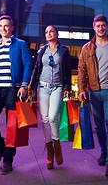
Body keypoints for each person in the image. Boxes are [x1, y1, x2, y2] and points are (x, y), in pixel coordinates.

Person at [0, 15, 33, 175]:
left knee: (12, 125)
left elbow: (28, 64)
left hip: (13, 89)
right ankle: (1, 147)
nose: (4, 28)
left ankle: (8, 159)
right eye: (1, 26)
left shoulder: (20, 44)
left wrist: (24, 85)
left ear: (12, 28)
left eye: (7, 26)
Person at [77, 14, 108, 177]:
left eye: (103, 25)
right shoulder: (87, 48)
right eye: (98, 26)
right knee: (98, 125)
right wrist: (82, 88)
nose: (101, 28)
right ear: (94, 27)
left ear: (107, 26)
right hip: (94, 92)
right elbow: (81, 69)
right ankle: (104, 152)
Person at [29, 25, 71, 169]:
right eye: (46, 32)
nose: (48, 34)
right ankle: (50, 152)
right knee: (45, 119)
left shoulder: (64, 51)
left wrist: (68, 87)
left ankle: (57, 147)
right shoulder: (42, 50)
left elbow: (68, 70)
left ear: (57, 34)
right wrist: (32, 87)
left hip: (57, 87)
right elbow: (36, 70)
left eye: (51, 31)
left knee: (53, 117)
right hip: (43, 87)